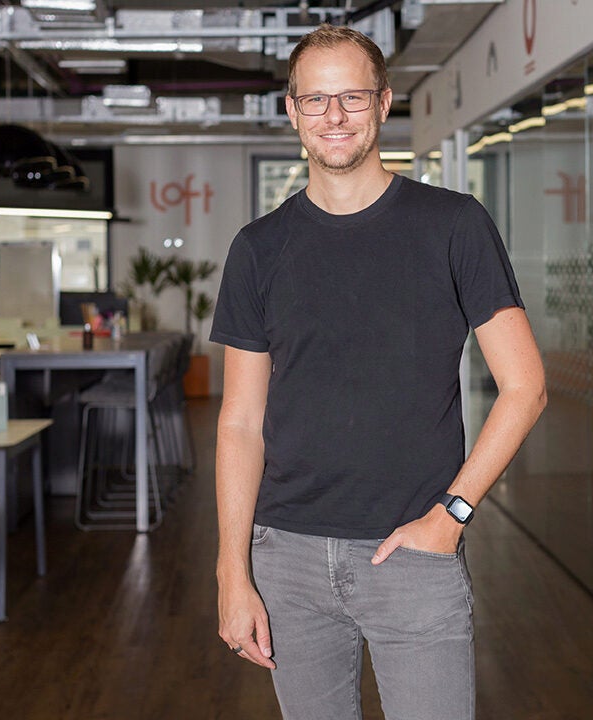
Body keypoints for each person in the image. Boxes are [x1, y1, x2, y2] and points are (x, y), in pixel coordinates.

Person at [211, 23, 546, 720]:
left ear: (385, 104)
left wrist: (451, 515)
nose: (334, 117)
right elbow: (240, 423)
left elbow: (526, 387)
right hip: (288, 561)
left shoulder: (453, 225)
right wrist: (231, 569)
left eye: (353, 98)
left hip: (414, 554)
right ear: (292, 111)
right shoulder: (259, 249)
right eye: (316, 100)